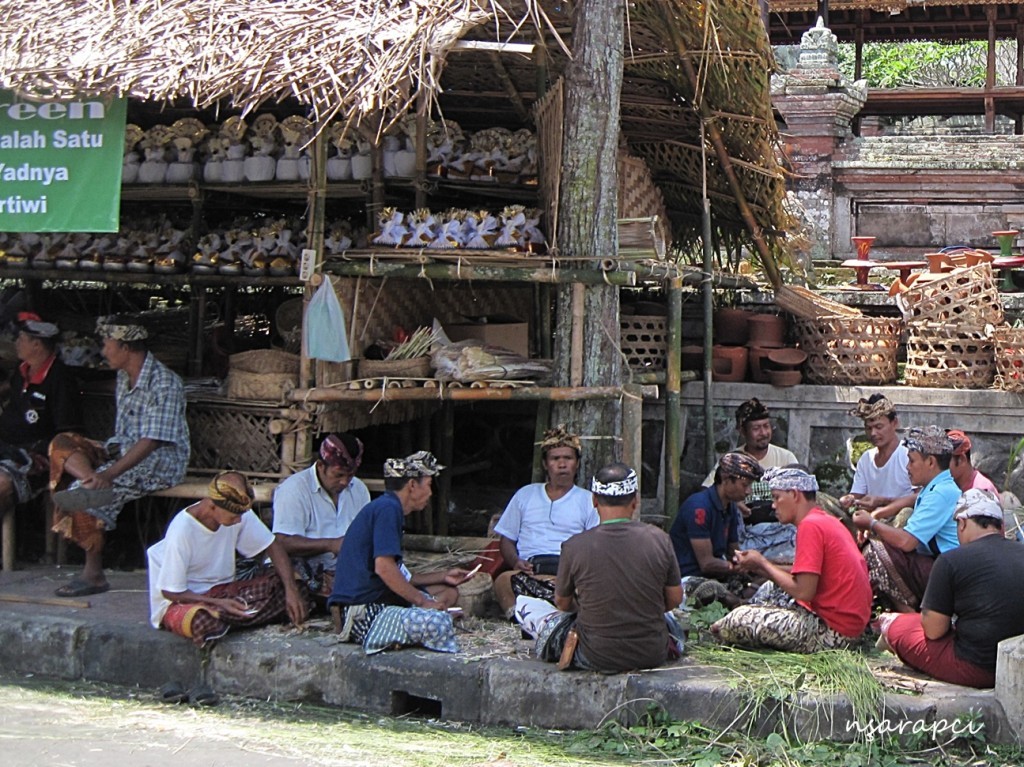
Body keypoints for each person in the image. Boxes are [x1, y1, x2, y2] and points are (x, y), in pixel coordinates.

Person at [49, 315, 190, 598]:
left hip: (161, 462)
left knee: (82, 494)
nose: (103, 351)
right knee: (62, 443)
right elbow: (125, 439)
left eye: (107, 344)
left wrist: (109, 475)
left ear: (126, 347)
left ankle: (94, 575)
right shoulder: (124, 376)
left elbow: (150, 442)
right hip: (124, 452)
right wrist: (100, 457)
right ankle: (90, 478)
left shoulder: (164, 382)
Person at [514, 463, 684, 673]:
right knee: (670, 619)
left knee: (526, 604)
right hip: (652, 653)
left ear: (594, 500)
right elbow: (675, 598)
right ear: (635, 501)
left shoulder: (574, 545)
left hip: (594, 655)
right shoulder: (660, 539)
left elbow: (562, 602)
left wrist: (589, 610)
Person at [711, 466, 872, 653]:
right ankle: (748, 608)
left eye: (777, 497)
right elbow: (805, 576)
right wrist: (759, 567)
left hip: (833, 633)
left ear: (795, 495)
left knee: (737, 621)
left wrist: (762, 563)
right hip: (848, 627)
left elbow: (804, 591)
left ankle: (725, 625)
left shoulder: (811, 526)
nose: (773, 505)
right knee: (770, 587)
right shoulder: (824, 520)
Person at [879, 489, 1024, 688]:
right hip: (1018, 662)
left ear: (962, 523)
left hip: (978, 669)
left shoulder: (951, 560)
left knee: (898, 626)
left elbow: (933, 631)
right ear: (999, 525)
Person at [328, 451, 470, 653]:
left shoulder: (386, 507)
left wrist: (442, 576)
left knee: (448, 592)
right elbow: (385, 568)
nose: (430, 493)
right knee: (437, 623)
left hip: (377, 600)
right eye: (428, 485)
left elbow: (400, 574)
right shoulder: (388, 509)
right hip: (362, 610)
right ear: (412, 485)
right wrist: (422, 602)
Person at [147, 471, 307, 647]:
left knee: (293, 586)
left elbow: (273, 546)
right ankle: (242, 615)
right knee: (203, 621)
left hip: (226, 593)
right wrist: (217, 603)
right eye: (233, 517)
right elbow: (170, 592)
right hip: (184, 601)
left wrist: (291, 591)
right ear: (212, 506)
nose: (238, 521)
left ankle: (235, 617)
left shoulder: (237, 511)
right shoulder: (182, 530)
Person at [491, 425, 597, 617]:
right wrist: (516, 562)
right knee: (503, 582)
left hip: (567, 575)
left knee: (585, 592)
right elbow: (506, 539)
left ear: (577, 463)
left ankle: (562, 616)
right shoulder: (525, 494)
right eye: (555, 459)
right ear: (545, 464)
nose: (562, 464)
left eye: (568, 458)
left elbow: (595, 545)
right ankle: (520, 619)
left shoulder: (589, 500)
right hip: (528, 572)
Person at [852, 426, 961, 613]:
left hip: (948, 576)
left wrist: (872, 523)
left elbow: (907, 541)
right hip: (939, 566)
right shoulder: (936, 487)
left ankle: (911, 618)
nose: (907, 467)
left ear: (931, 462)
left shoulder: (942, 493)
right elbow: (912, 498)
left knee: (876, 551)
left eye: (911, 461)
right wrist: (879, 513)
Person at [0, 313, 81, 550]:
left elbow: (68, 434)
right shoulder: (21, 372)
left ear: (36, 344)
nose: (16, 343)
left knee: (2, 484)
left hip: (36, 459)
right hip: (6, 449)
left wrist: (36, 452)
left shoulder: (60, 379)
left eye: (21, 339)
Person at [272, 432, 371, 601]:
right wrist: (331, 544)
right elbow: (281, 542)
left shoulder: (359, 489)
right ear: (320, 466)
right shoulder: (294, 490)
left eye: (351, 475)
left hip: (343, 572)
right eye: (338, 475)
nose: (345, 482)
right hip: (302, 573)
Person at [703, 398, 799, 561]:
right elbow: (707, 490)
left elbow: (801, 497)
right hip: (743, 532)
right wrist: (733, 503)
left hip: (780, 530)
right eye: (756, 428)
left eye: (766, 426)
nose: (763, 433)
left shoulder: (785, 458)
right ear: (742, 431)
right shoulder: (733, 460)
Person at [671, 452, 763, 606]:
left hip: (716, 573)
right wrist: (740, 566)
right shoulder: (699, 508)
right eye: (744, 485)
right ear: (726, 479)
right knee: (727, 598)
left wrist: (757, 563)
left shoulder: (731, 507)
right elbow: (706, 564)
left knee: (763, 580)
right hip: (688, 578)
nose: (748, 492)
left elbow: (733, 552)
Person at [840, 395, 914, 517]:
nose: (873, 433)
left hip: (898, 522)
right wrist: (849, 499)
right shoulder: (866, 458)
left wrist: (883, 502)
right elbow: (857, 495)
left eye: (879, 427)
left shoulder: (908, 455)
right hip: (868, 519)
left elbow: (921, 496)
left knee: (906, 514)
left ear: (894, 423)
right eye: (868, 428)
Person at [946, 429, 998, 494]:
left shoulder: (982, 491)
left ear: (961, 460)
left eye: (945, 460)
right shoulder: (950, 487)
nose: (940, 466)